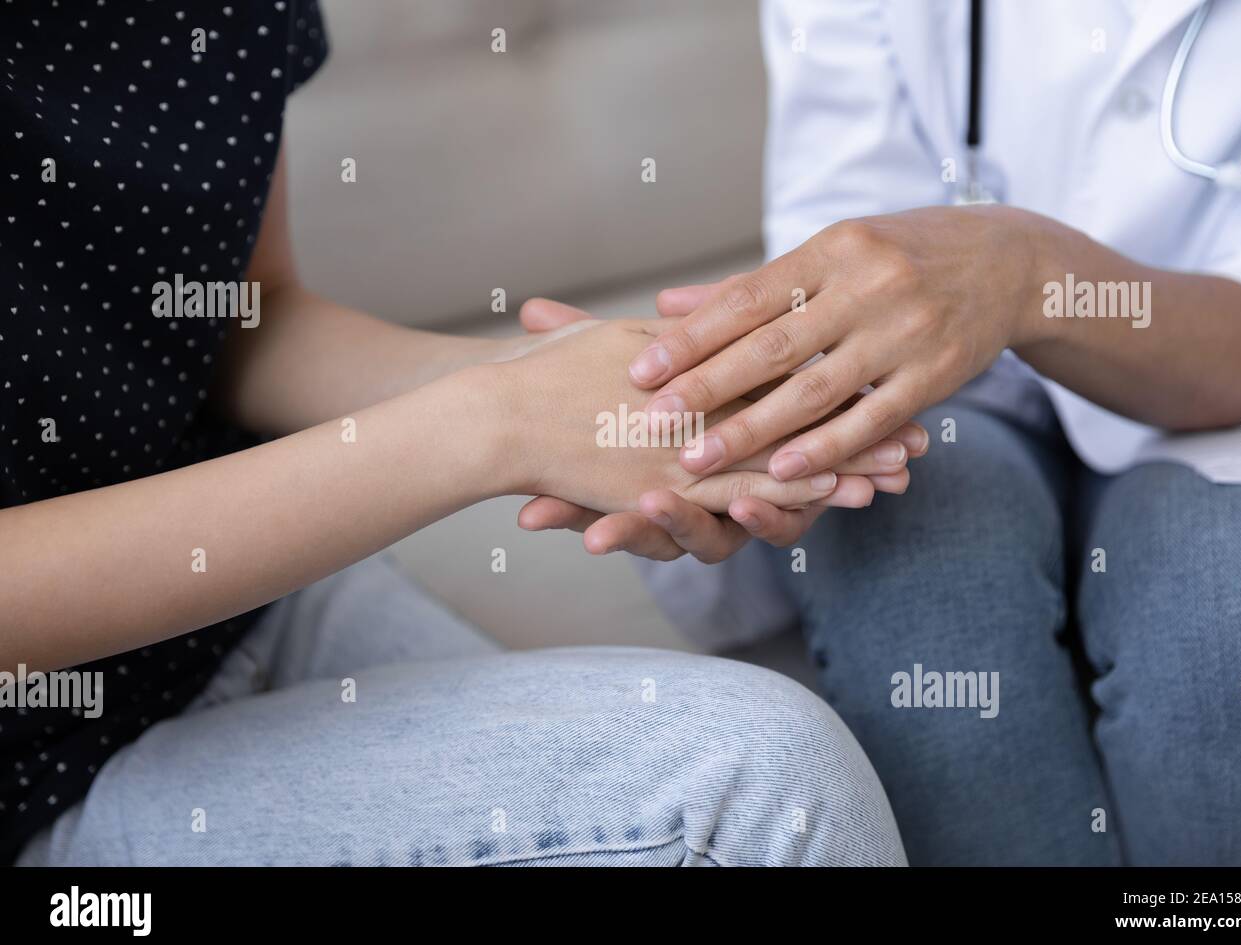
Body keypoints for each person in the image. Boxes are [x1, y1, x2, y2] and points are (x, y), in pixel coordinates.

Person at [0, 2, 918, 867]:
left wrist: (602, 388)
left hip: (264, 597)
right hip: (33, 781)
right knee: (764, 779)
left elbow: (246, 320)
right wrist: (496, 424)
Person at [525, 0, 1241, 865]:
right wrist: (733, 413)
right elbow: (846, 236)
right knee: (913, 573)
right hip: (952, 388)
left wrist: (1028, 274)